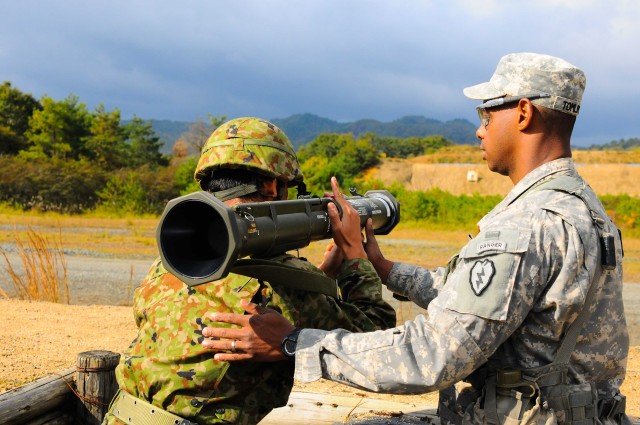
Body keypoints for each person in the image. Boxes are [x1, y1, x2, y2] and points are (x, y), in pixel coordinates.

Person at [201, 54, 631, 424]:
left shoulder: (526, 225)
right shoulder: (583, 208)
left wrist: (294, 342)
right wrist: (383, 268)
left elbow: (431, 355)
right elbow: (477, 300)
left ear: (522, 113)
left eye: (486, 114)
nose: (480, 130)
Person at [102, 117, 396, 425]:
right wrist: (354, 256)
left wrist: (318, 279)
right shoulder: (286, 287)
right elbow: (375, 338)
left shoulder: (173, 261)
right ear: (271, 185)